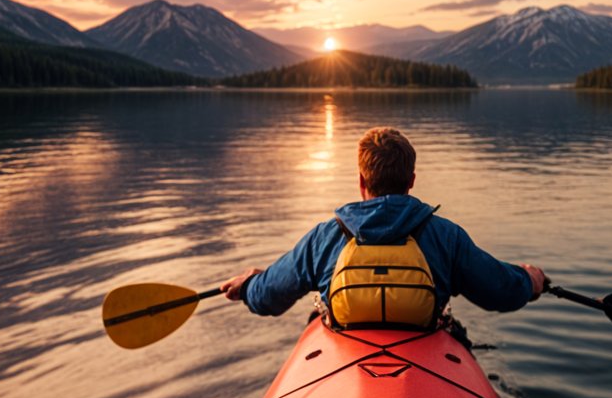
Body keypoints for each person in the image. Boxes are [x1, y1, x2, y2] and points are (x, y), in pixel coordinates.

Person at [221, 126, 545, 324]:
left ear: (362, 181)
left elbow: (269, 297)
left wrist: (249, 285)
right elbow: (501, 291)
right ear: (412, 180)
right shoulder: (446, 237)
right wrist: (530, 279)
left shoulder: (325, 237)